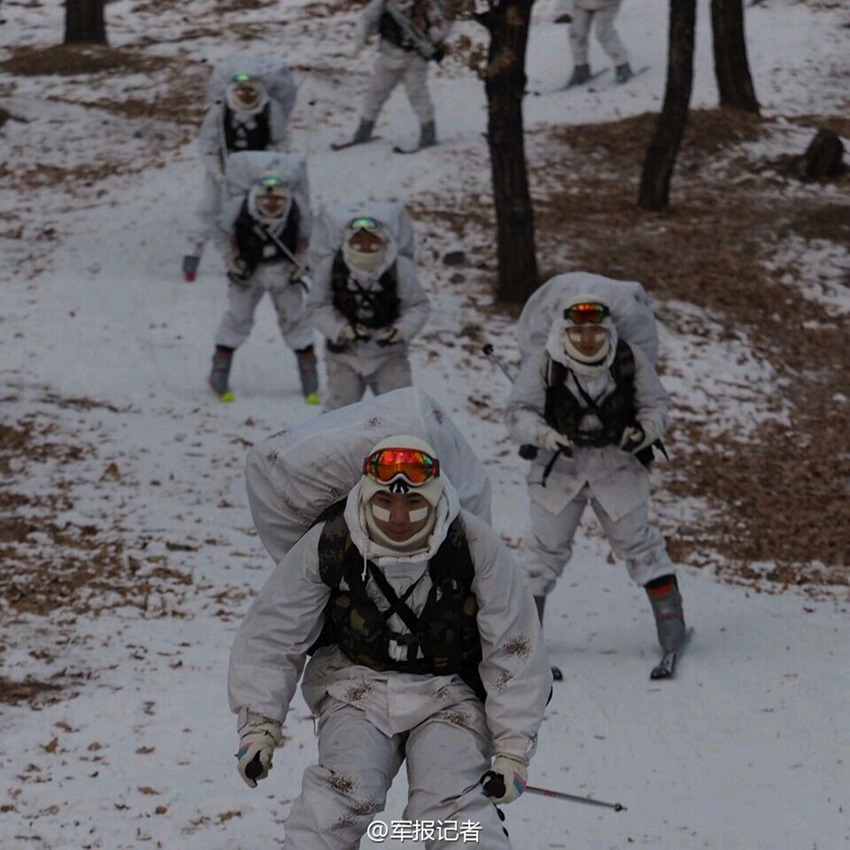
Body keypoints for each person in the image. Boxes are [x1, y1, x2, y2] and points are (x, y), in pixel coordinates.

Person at [228, 435, 552, 849]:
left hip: (449, 693)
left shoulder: (474, 546)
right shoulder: (331, 541)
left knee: (451, 805)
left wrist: (512, 751)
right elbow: (275, 631)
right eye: (386, 503)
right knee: (341, 796)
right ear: (366, 497)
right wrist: (259, 725)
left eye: (414, 504)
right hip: (354, 687)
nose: (398, 518)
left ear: (435, 500)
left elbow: (515, 647)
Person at [504, 294, 687, 656]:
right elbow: (518, 412)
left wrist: (644, 431)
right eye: (579, 331)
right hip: (559, 470)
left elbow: (656, 405)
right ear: (564, 331)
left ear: (607, 331)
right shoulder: (545, 363)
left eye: (596, 331)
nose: (588, 339)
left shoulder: (628, 359)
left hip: (617, 467)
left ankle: (671, 620)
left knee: (640, 545)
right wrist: (543, 435)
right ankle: (524, 635)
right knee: (542, 552)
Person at [208, 170, 319, 404]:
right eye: (266, 199)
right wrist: (231, 259)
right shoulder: (237, 210)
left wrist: (302, 262)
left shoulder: (299, 211)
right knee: (237, 319)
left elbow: (310, 240)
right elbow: (219, 232)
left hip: (284, 273)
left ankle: (310, 381)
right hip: (248, 272)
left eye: (278, 199)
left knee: (295, 320)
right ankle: (219, 374)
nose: (271, 204)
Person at [304, 213, 429, 411]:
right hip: (344, 354)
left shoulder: (400, 267)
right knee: (338, 413)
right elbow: (316, 307)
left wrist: (400, 331)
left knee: (401, 411)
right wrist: (342, 329)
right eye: (358, 241)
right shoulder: (331, 266)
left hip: (389, 354)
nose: (364, 246)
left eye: (372, 240)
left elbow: (418, 306)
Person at [183, 66, 293, 282]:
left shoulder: (271, 110)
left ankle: (251, 256)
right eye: (241, 91)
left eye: (251, 91)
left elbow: (280, 143)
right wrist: (216, 171)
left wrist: (269, 166)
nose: (246, 96)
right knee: (210, 208)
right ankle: (193, 252)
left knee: (253, 211)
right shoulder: (219, 111)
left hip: (257, 168)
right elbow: (207, 145)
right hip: (224, 167)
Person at [342, 0, 451, 150]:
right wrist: (362, 36)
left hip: (414, 58)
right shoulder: (384, 4)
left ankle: (428, 132)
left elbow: (442, 26)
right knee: (375, 94)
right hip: (388, 56)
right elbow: (367, 18)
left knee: (418, 95)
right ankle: (364, 130)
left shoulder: (427, 4)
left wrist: (428, 39)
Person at [566, 0, 632, 87]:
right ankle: (581, 66)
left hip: (607, 4)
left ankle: (622, 65)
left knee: (604, 33)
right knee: (577, 33)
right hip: (580, 4)